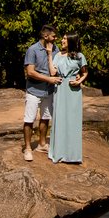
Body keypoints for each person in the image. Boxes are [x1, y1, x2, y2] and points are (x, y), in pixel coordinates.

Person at [48, 33, 89, 164]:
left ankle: (73, 155)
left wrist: (79, 81)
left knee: (73, 121)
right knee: (59, 120)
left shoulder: (79, 56)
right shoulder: (58, 55)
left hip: (73, 91)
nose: (62, 40)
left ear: (71, 41)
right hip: (60, 89)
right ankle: (59, 153)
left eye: (65, 38)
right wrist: (49, 55)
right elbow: (53, 72)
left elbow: (85, 72)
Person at [22, 23, 61, 161]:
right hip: (34, 90)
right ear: (46, 36)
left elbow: (59, 66)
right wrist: (49, 79)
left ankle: (42, 144)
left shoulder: (55, 49)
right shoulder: (33, 50)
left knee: (46, 117)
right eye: (54, 36)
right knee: (29, 119)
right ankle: (27, 148)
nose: (56, 39)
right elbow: (30, 72)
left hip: (48, 91)